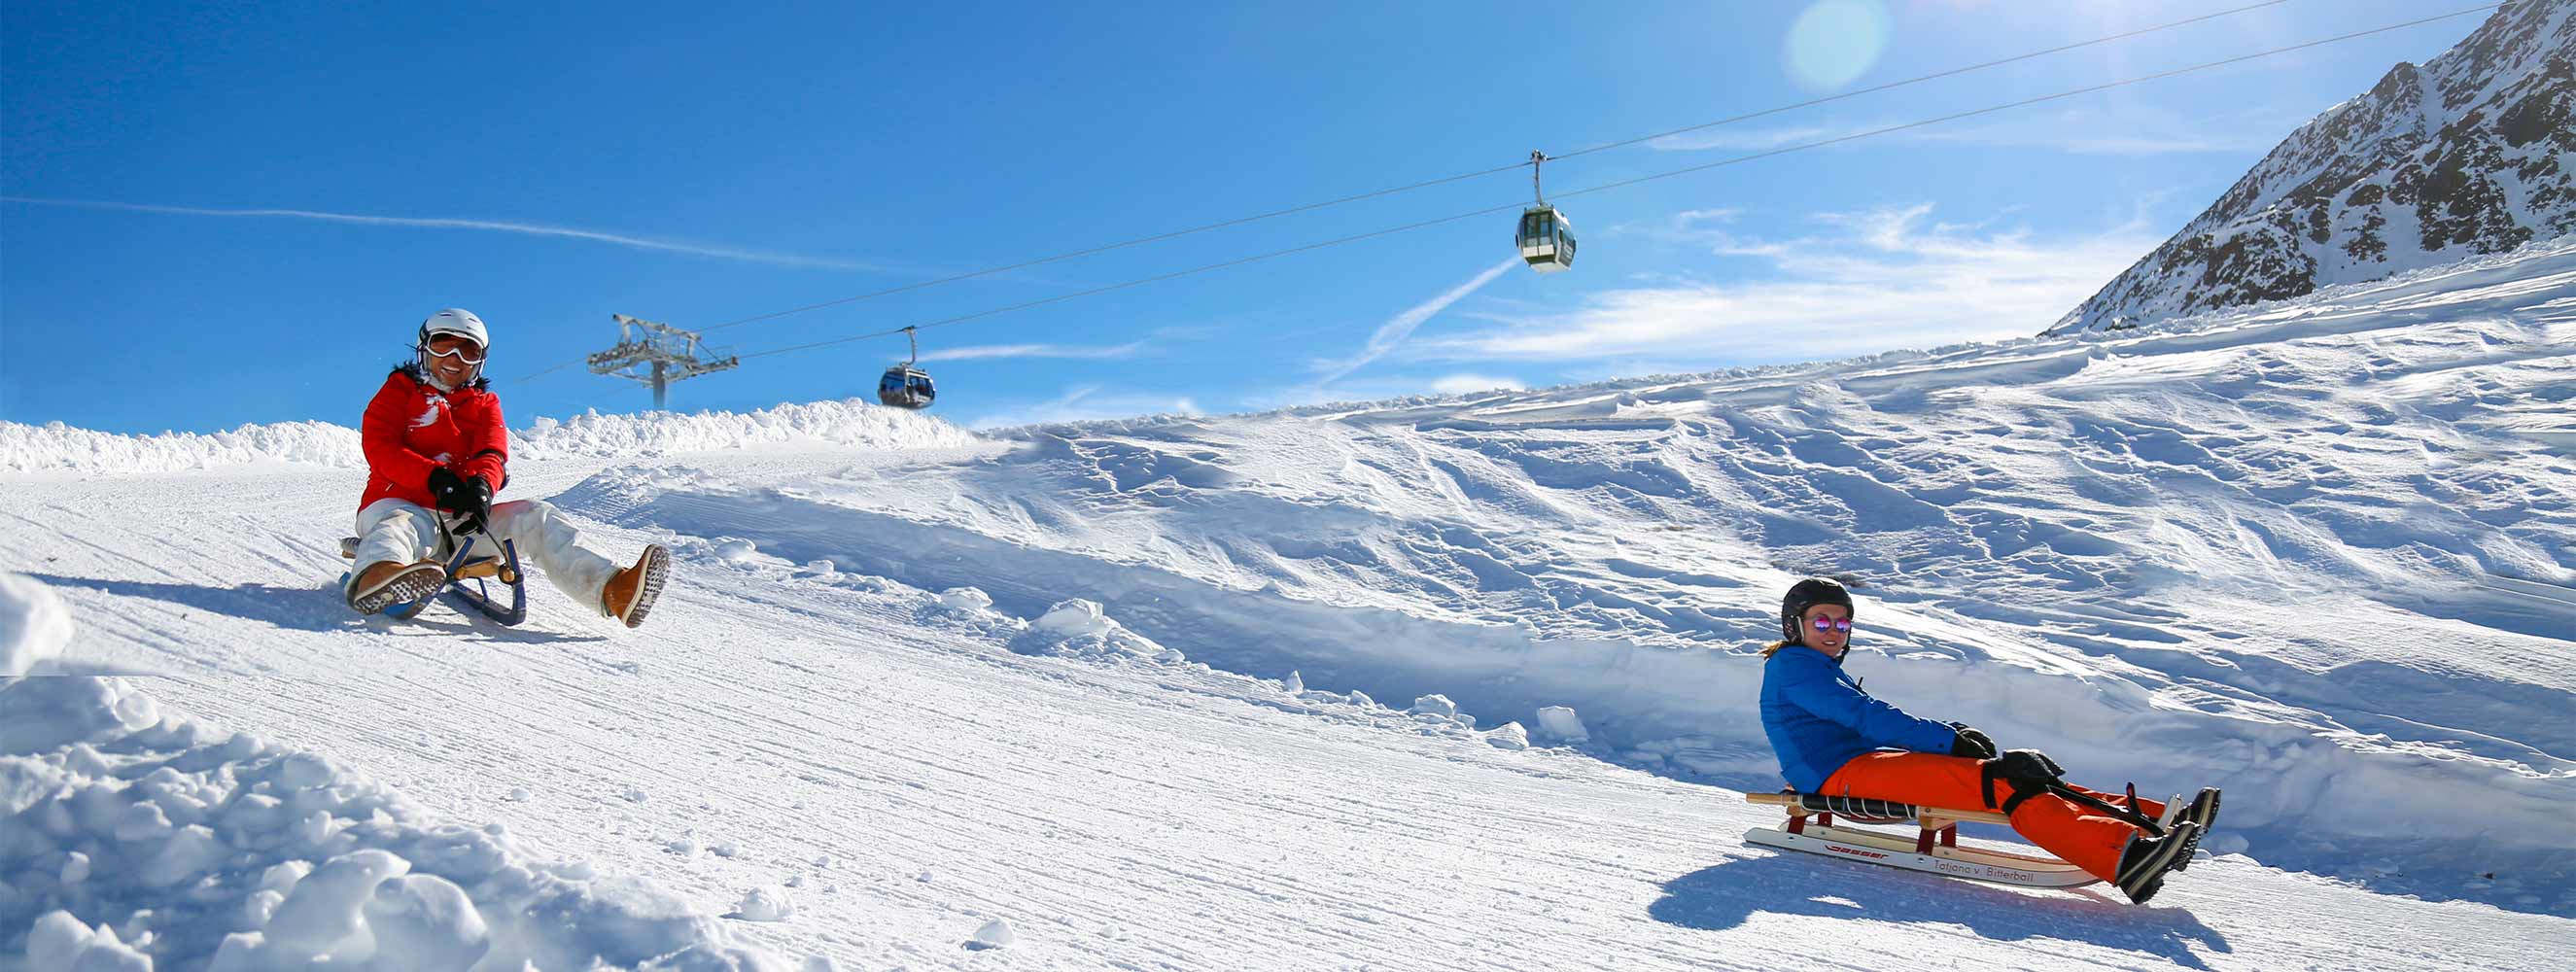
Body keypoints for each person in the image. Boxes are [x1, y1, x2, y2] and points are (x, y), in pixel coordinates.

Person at [1758, 577, 2219, 904]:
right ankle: (2124, 858)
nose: (1834, 632)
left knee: (2017, 776)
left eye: (1842, 624)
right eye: (1822, 622)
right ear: (1794, 625)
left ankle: (2151, 820)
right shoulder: (1795, 667)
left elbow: (1869, 719)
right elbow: (1865, 716)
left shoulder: (1813, 668)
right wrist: (1948, 741)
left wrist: (1951, 734)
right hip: (1837, 776)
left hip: (1862, 764)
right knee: (1999, 783)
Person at [346, 308, 670, 628]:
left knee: (536, 516)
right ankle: (380, 575)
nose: (455, 357)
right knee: (402, 524)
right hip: (399, 504)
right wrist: (434, 478)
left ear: (479, 361)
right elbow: (381, 448)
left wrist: (482, 487)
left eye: (468, 350)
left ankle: (615, 589)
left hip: (460, 525)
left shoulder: (485, 404)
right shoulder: (399, 391)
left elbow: (492, 453)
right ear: (424, 349)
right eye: (444, 344)